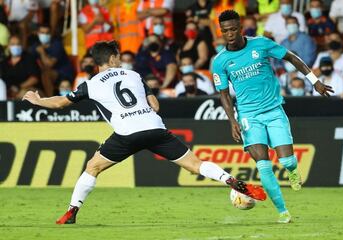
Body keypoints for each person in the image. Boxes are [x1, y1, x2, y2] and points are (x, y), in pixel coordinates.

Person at [22, 40, 266, 224]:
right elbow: (156, 106)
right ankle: (229, 180)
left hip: (126, 134)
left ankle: (72, 211)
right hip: (154, 127)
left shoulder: (90, 84)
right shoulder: (134, 74)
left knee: (92, 167)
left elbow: (60, 103)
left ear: (98, 62)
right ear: (115, 57)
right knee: (195, 164)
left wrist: (37, 99)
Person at [212, 10, 333, 223]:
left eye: (232, 29)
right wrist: (232, 121)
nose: (229, 34)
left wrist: (314, 81)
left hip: (274, 110)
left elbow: (292, 57)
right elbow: (223, 94)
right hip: (249, 116)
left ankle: (293, 170)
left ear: (240, 28)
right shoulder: (220, 61)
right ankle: (282, 211)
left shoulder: (261, 44)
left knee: (286, 160)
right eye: (225, 31)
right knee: (263, 164)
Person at [31, 24, 74, 96]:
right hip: (46, 74)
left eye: (47, 33)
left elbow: (49, 64)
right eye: (42, 33)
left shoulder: (57, 45)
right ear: (37, 33)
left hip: (63, 74)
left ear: (51, 34)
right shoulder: (35, 46)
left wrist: (42, 52)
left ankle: (50, 100)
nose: (44, 35)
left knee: (46, 74)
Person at [3, 35, 40, 99]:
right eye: (13, 44)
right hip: (8, 91)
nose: (16, 46)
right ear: (8, 46)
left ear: (22, 45)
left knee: (25, 93)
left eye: (18, 44)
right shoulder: (4, 63)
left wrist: (18, 87)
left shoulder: (29, 59)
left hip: (28, 89)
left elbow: (34, 79)